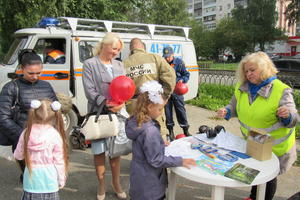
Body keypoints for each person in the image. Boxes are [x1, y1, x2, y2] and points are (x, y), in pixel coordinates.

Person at [217, 51, 299, 200]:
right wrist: (226, 111)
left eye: (252, 70)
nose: (248, 74)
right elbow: (233, 106)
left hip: (275, 146)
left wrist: (287, 115)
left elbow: (294, 119)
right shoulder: (242, 88)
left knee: (268, 177)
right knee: (256, 171)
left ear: (264, 68)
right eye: (246, 71)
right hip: (254, 141)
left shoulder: (281, 90)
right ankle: (254, 196)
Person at [125, 80, 196, 200]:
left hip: (139, 181)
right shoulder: (150, 131)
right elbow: (155, 160)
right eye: (160, 109)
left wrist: (159, 143)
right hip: (150, 187)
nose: (161, 112)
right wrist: (180, 161)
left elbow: (144, 146)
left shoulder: (137, 121)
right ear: (150, 106)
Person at [0, 49, 57, 180]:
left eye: (39, 73)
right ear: (21, 69)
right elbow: (3, 117)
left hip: (46, 140)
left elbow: (55, 110)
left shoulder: (46, 85)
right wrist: (23, 136)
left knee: (46, 176)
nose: (35, 76)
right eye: (31, 73)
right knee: (30, 177)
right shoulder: (11, 87)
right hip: (23, 139)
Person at [82, 32, 126, 200]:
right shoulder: (89, 64)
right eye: (114, 48)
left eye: (118, 50)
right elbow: (89, 91)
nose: (116, 52)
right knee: (99, 151)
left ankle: (116, 183)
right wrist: (107, 103)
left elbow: (124, 86)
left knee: (116, 151)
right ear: (104, 45)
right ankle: (101, 184)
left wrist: (121, 103)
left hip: (118, 112)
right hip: (99, 113)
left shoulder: (119, 65)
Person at [13, 99, 68, 200]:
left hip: (30, 181)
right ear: (54, 116)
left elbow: (18, 155)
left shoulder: (26, 133)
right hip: (50, 182)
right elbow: (59, 161)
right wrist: (61, 179)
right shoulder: (54, 135)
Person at [124, 38, 176, 141]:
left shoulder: (123, 64)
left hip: (134, 105)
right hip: (154, 102)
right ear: (143, 47)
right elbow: (170, 77)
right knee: (158, 134)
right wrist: (164, 97)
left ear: (130, 48)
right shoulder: (155, 58)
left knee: (138, 137)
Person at [162, 46, 190, 140]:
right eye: (165, 56)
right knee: (167, 113)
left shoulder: (179, 62)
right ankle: (170, 132)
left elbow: (186, 74)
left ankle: (185, 130)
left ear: (173, 54)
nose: (167, 58)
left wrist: (182, 80)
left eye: (169, 56)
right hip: (166, 92)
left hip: (177, 92)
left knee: (181, 111)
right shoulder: (162, 63)